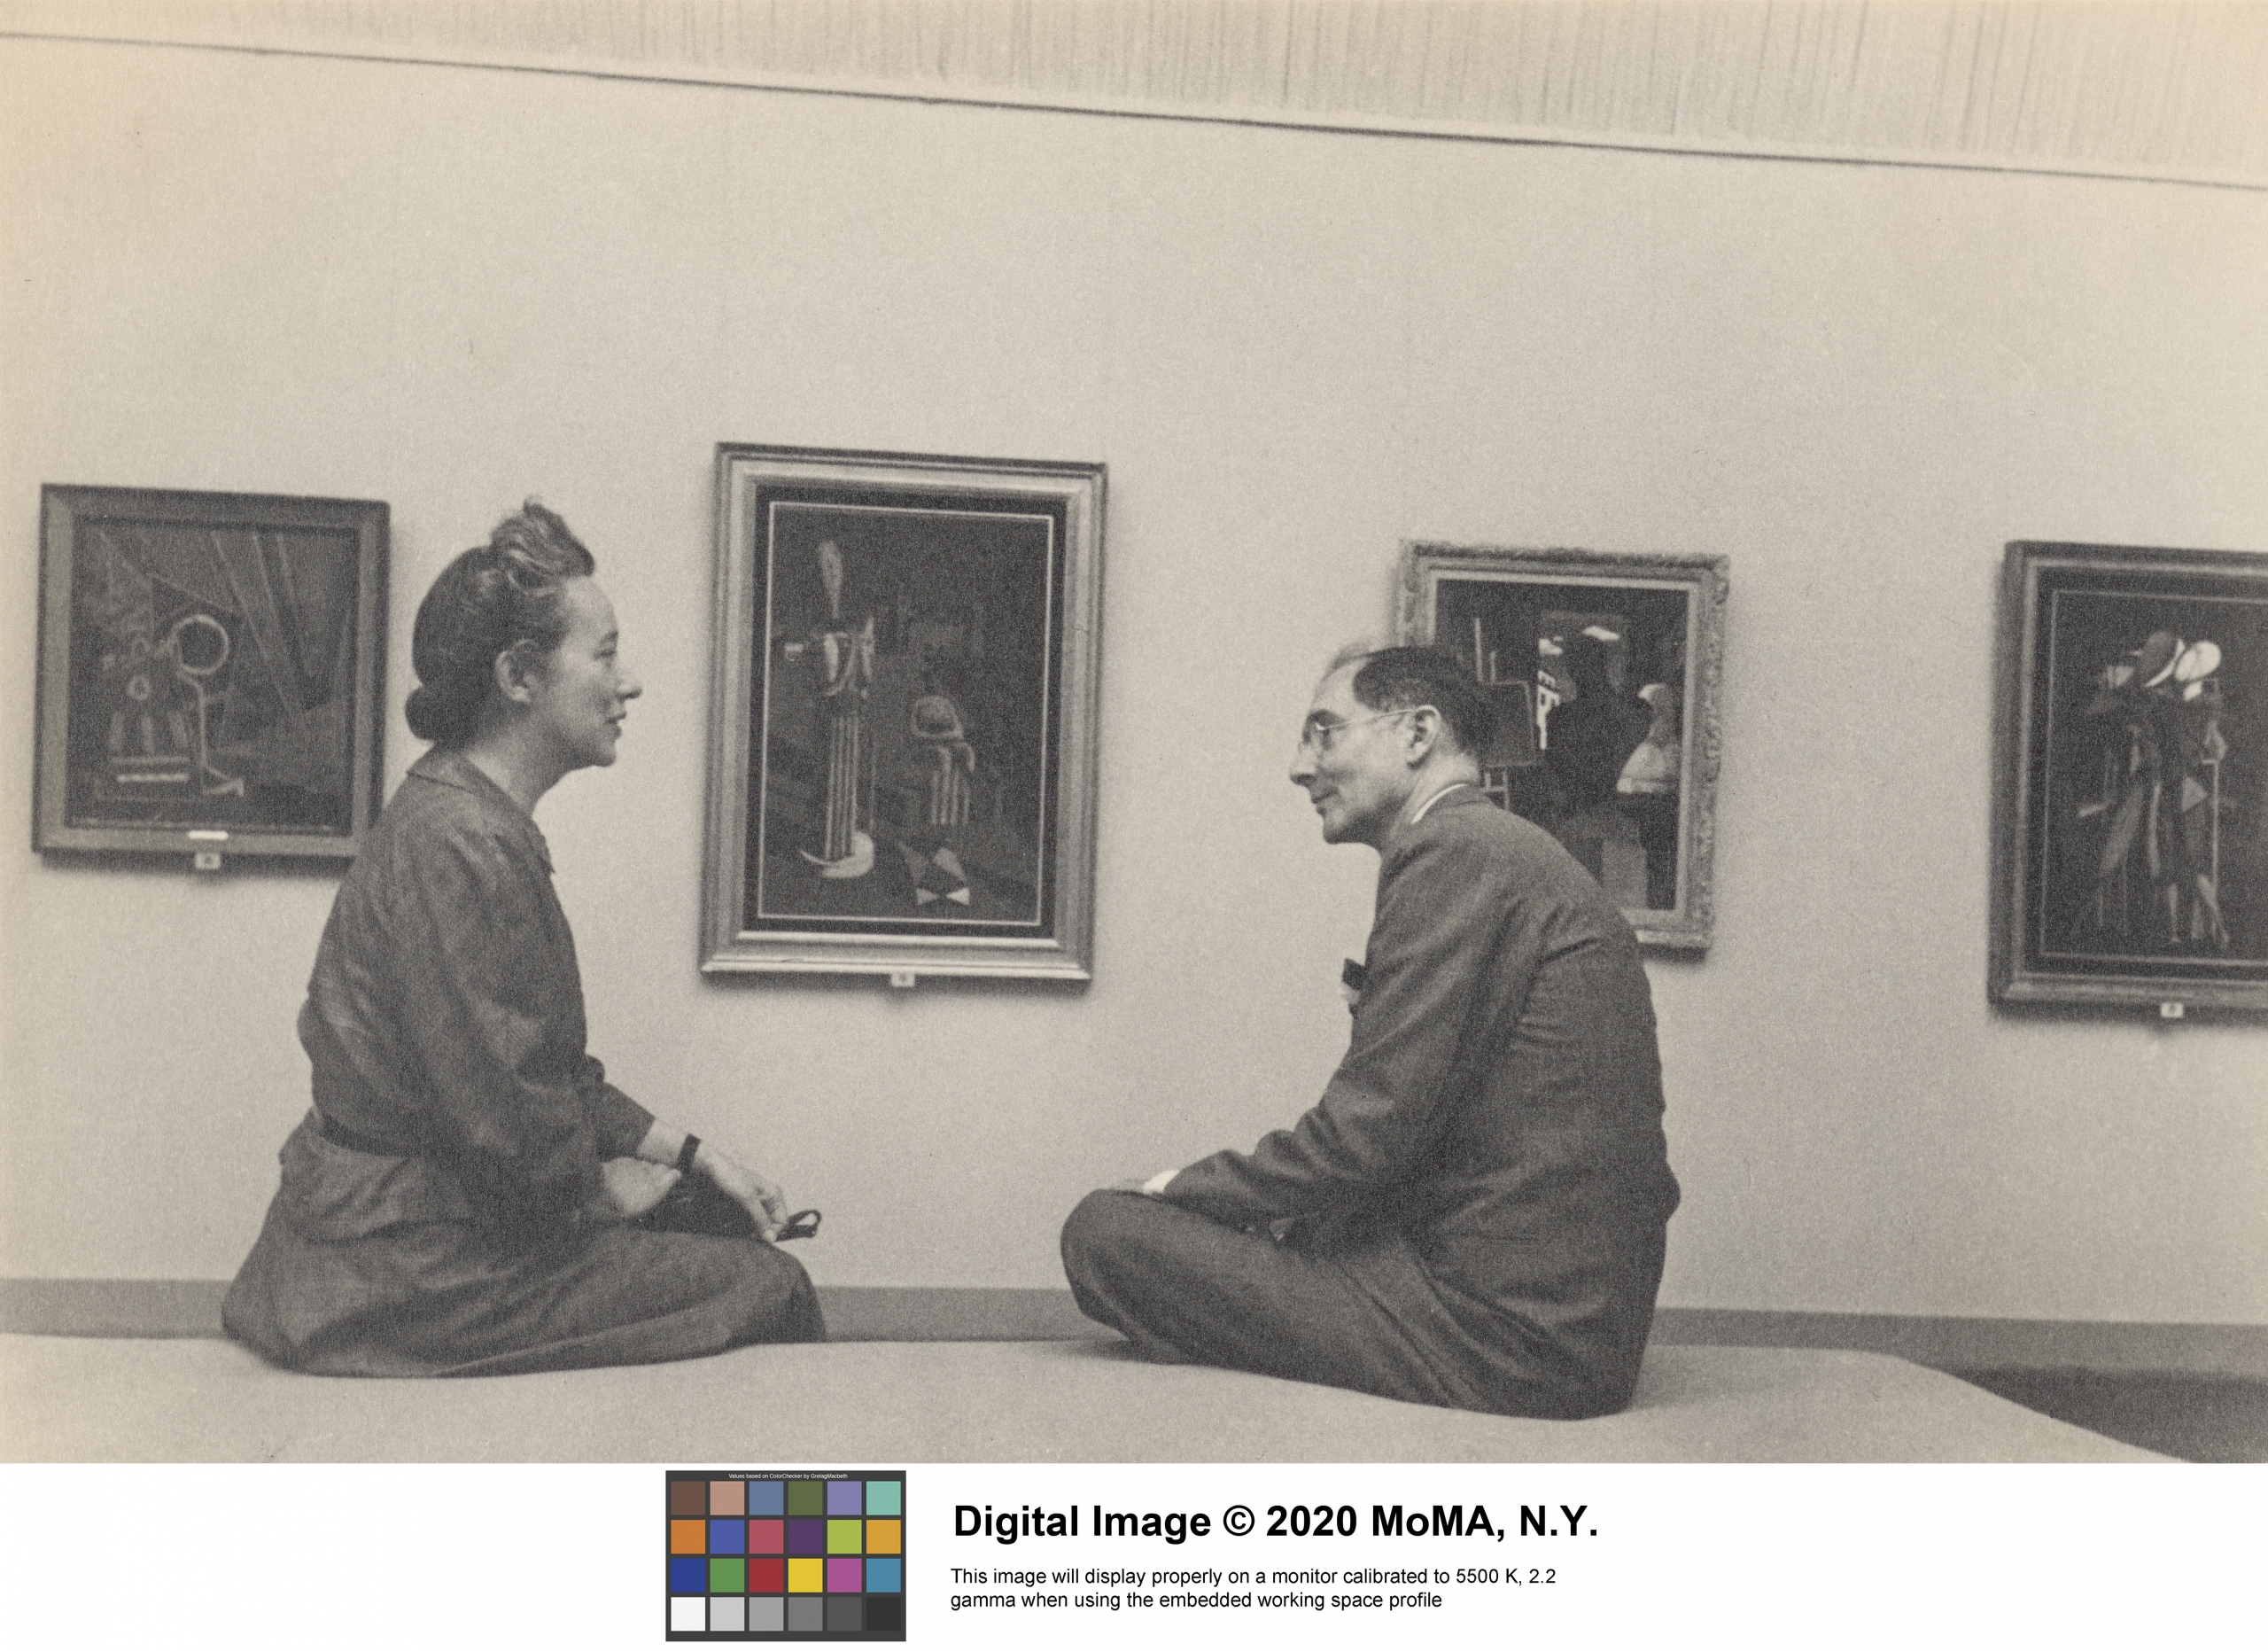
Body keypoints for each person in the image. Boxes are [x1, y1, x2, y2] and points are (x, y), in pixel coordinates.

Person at [222, 502, 823, 1376]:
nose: (628, 682)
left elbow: (540, 1074)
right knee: (772, 1285)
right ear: (518, 676)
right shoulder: (462, 843)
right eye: (605, 653)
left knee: (704, 1211)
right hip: (403, 1265)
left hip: (390, 1234)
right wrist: (604, 1192)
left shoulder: (460, 814)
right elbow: (510, 1126)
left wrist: (693, 1156)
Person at [1060, 645, 1678, 1419]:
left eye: (1324, 732)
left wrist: (1175, 1187)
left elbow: (1364, 1138)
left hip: (1514, 1337)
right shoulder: (1501, 848)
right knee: (1287, 1222)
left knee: (1103, 1231)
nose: (1299, 766)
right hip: (1575, 1316)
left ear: (1417, 733)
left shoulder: (1454, 849)